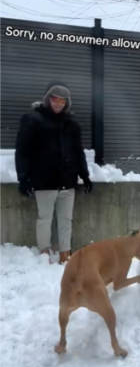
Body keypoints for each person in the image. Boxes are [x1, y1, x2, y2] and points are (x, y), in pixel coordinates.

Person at [15, 82, 92, 265]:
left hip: (67, 180)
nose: (59, 103)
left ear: (67, 103)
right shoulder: (33, 120)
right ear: (48, 99)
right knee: (45, 219)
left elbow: (78, 152)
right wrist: (23, 177)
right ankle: (44, 252)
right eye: (55, 99)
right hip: (44, 180)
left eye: (62, 100)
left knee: (66, 219)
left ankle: (65, 252)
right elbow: (23, 151)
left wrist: (85, 176)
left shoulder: (72, 124)